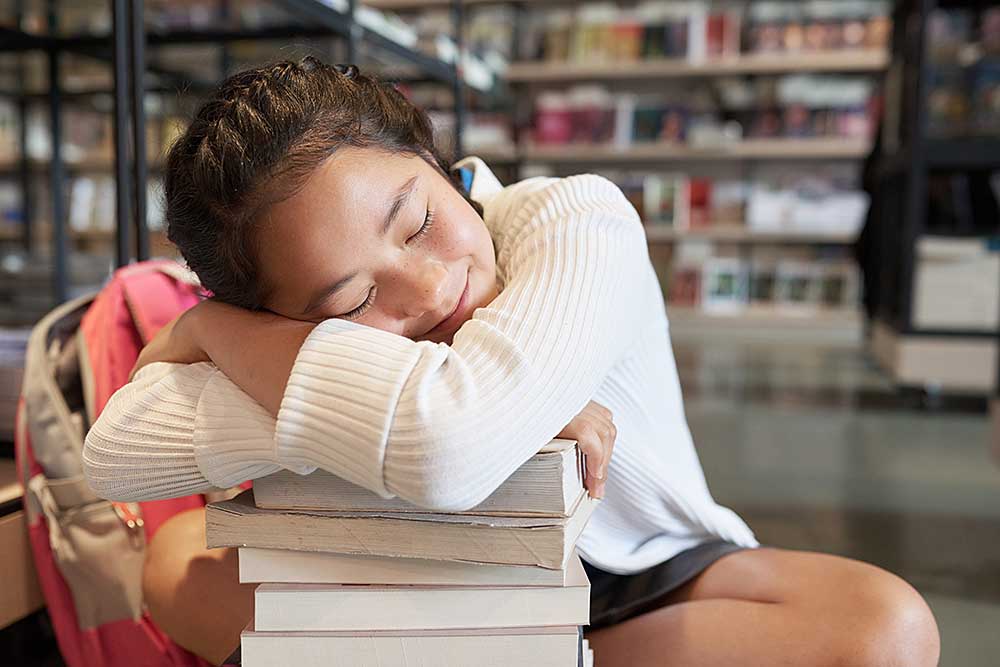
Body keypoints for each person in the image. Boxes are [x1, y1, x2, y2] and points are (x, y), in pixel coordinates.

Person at [83, 58, 939, 667]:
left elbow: (449, 443)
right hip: (409, 573)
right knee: (172, 563)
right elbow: (116, 449)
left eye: (416, 221)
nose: (427, 286)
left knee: (883, 629)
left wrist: (219, 343)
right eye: (350, 303)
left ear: (429, 154)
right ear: (271, 313)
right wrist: (229, 332)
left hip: (633, 577)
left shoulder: (576, 218)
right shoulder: (252, 323)